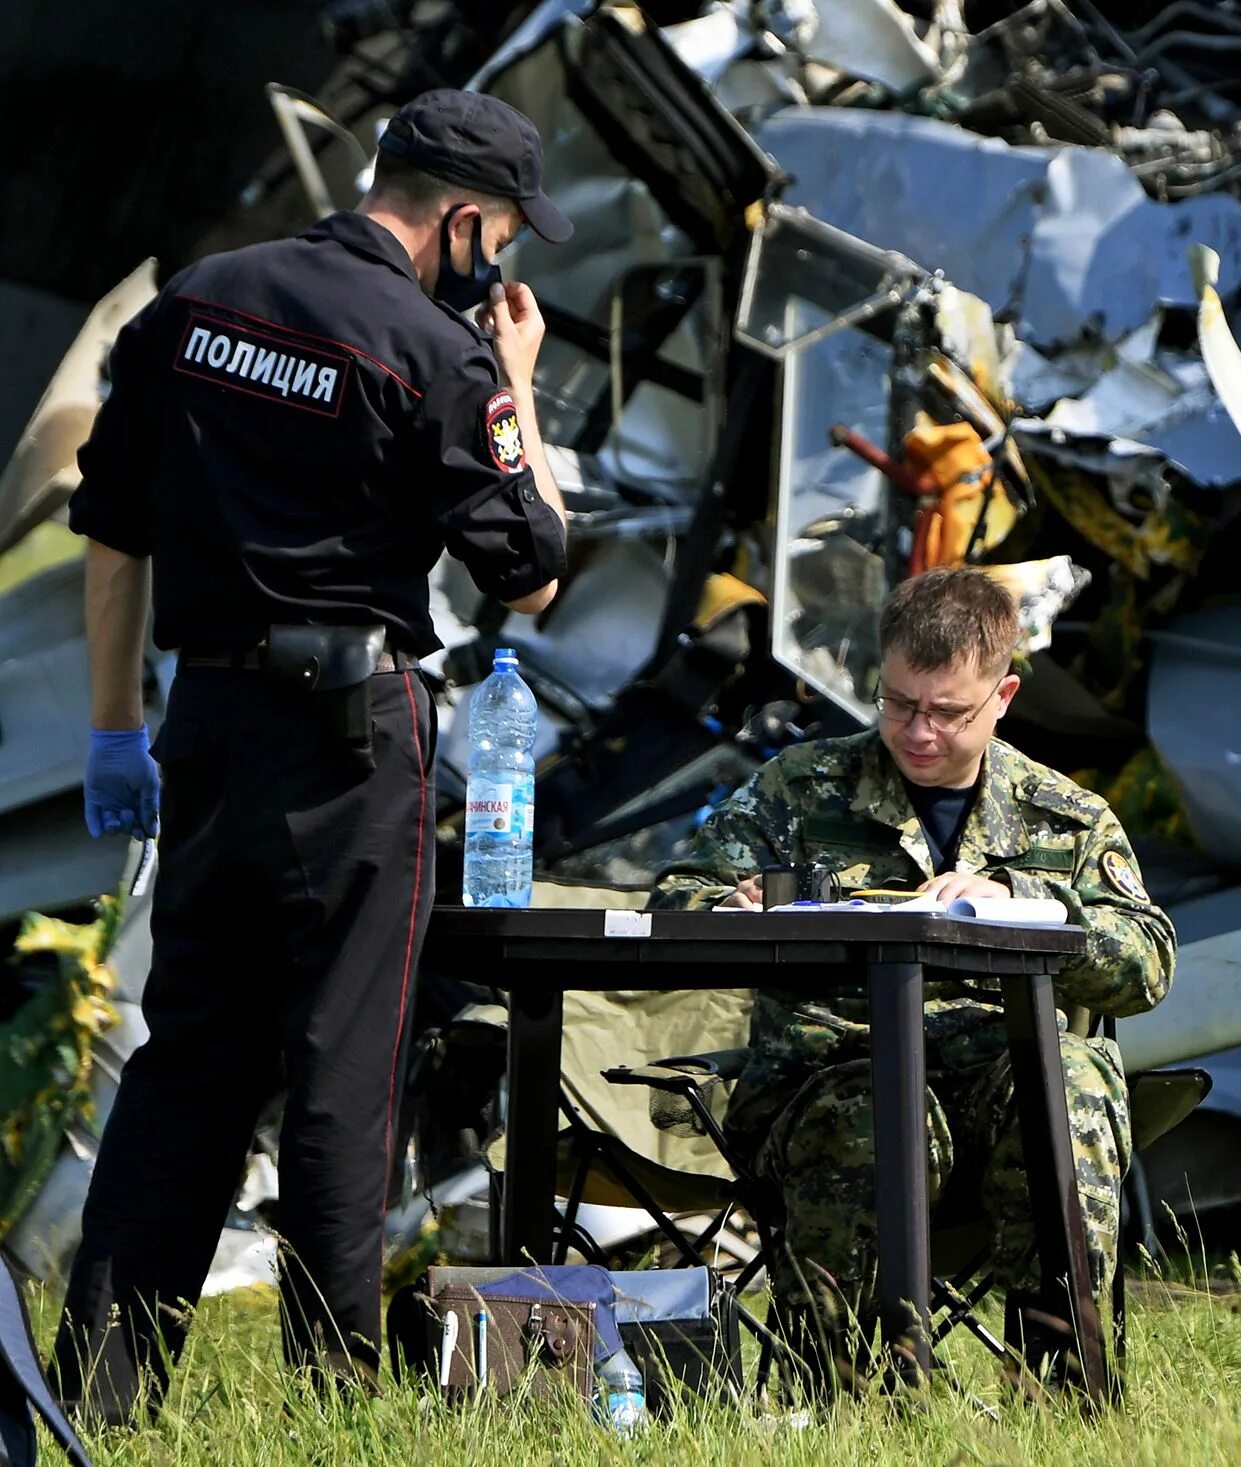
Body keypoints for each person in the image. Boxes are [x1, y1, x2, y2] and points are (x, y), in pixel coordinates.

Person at [54, 88, 573, 1422]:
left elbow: (110, 530)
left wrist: (116, 727)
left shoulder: (196, 301)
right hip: (353, 741)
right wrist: (517, 385)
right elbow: (532, 572)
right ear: (461, 218)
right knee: (344, 1069)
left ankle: (98, 1395)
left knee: (187, 1065)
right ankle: (330, 1400)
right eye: (503, 231)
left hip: (206, 729)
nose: (502, 259)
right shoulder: (431, 349)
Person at [655, 567, 1175, 1392]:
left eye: (947, 711)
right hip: (832, 1079)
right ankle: (839, 1390)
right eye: (897, 703)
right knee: (873, 1112)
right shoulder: (801, 788)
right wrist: (729, 903)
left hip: (1003, 1078)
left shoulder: (1061, 816)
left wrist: (1026, 902)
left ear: (1002, 695)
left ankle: (1062, 1384)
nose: (918, 730)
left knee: (1069, 1087)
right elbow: (673, 899)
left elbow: (1147, 960)